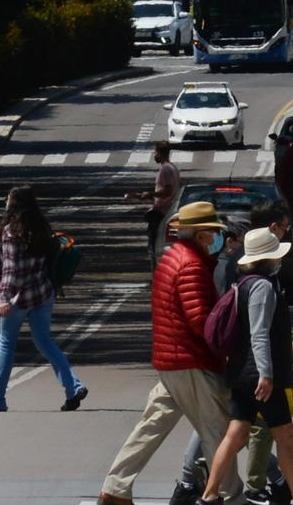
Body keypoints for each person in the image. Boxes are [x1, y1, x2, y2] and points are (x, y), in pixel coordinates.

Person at [98, 202, 242, 505]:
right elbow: (200, 320)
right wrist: (227, 347)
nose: (217, 237)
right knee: (217, 429)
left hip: (171, 359)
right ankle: (230, 496)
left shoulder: (173, 257)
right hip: (191, 360)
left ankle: (116, 487)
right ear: (201, 234)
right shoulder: (191, 264)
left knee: (153, 423)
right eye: (213, 232)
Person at [197, 229, 293, 505]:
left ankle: (209, 495)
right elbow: (259, 332)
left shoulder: (244, 283)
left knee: (238, 432)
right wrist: (266, 373)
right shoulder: (263, 286)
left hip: (243, 371)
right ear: (269, 258)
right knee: (285, 434)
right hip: (261, 376)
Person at [0, 185, 87, 413]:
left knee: (6, 344)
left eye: (8, 198)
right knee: (45, 341)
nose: (5, 201)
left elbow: (10, 269)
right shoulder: (41, 229)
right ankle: (73, 387)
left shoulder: (11, 232)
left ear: (14, 204)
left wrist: (4, 298)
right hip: (42, 293)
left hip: (17, 298)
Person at [130, 140, 180, 268]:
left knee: (153, 246)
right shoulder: (172, 167)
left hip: (161, 213)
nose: (154, 155)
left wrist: (152, 194)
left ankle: (155, 274)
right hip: (166, 210)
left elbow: (167, 190)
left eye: (155, 152)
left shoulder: (166, 169)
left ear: (160, 153)